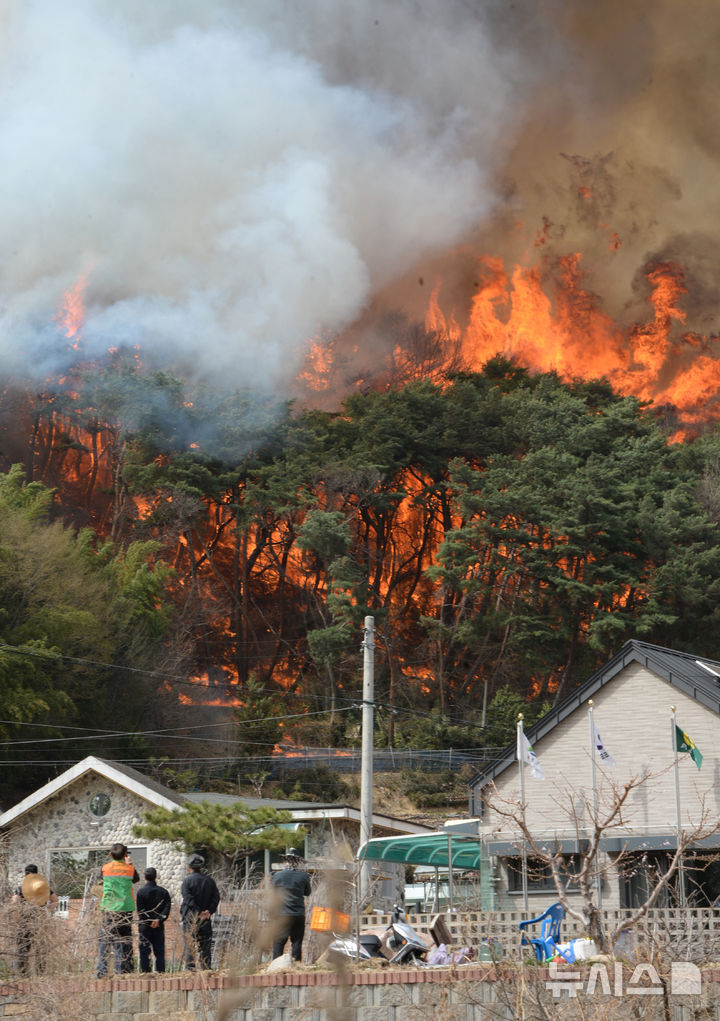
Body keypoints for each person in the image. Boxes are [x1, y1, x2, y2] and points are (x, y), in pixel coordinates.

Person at [97, 843, 139, 978]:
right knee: (124, 940)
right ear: (125, 855)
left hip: (108, 908)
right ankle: (122, 970)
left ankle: (102, 971)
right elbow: (136, 879)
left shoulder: (105, 868)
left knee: (105, 939)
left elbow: (102, 881)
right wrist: (130, 863)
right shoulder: (130, 870)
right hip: (125, 908)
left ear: (110, 854)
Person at [11, 864, 58, 975]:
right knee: (40, 948)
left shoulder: (21, 888)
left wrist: (17, 917)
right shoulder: (43, 888)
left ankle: (23, 973)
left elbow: (14, 902)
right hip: (40, 920)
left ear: (25, 874)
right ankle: (40, 973)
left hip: (25, 920)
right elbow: (55, 900)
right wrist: (47, 912)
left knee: (22, 948)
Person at [271, 849, 312, 963]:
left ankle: (276, 965)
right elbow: (307, 893)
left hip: (282, 914)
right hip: (298, 913)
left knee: (279, 941)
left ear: (285, 861)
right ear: (298, 862)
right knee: (297, 942)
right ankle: (296, 966)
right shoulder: (303, 876)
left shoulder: (277, 875)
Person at [180, 854, 220, 970]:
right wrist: (208, 911)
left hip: (190, 918)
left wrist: (198, 911)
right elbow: (216, 897)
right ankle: (206, 969)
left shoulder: (187, 881)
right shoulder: (210, 881)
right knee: (206, 946)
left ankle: (191, 969)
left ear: (189, 867)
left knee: (190, 945)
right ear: (201, 867)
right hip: (205, 918)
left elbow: (188, 898)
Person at [136, 867, 172, 974]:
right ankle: (160, 972)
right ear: (155, 877)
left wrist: (148, 921)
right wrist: (159, 920)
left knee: (144, 951)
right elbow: (167, 908)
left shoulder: (141, 892)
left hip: (144, 926)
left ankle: (145, 972)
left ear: (145, 878)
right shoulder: (164, 892)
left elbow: (140, 911)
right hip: (158, 926)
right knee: (159, 951)